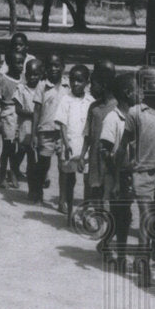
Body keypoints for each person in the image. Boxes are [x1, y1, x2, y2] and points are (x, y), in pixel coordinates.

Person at [117, 67, 155, 285]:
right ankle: (143, 266)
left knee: (154, 220)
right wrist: (120, 171)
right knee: (146, 218)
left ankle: (143, 256)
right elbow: (124, 144)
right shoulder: (135, 113)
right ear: (144, 87)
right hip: (143, 174)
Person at [99, 72, 138, 271]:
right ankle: (121, 256)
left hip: (130, 174)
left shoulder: (135, 117)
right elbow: (105, 150)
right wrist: (112, 180)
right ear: (128, 93)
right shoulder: (113, 118)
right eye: (138, 88)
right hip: (117, 175)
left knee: (123, 216)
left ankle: (105, 244)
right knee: (121, 216)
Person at [77, 59, 117, 232]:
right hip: (94, 158)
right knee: (95, 189)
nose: (90, 88)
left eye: (93, 84)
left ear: (104, 84)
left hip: (110, 159)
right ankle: (96, 220)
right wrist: (82, 155)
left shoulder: (117, 108)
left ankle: (109, 224)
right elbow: (87, 134)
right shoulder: (93, 108)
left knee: (109, 190)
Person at [54, 64, 94, 221]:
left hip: (85, 147)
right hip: (69, 145)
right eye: (73, 80)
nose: (75, 84)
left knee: (87, 180)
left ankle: (84, 211)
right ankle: (69, 209)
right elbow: (62, 125)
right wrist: (66, 144)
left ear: (87, 82)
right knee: (69, 178)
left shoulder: (91, 101)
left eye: (80, 80)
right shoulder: (66, 99)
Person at [29, 51, 67, 205]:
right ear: (45, 68)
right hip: (45, 131)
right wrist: (33, 134)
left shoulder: (67, 86)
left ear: (63, 67)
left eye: (57, 65)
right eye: (50, 66)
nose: (53, 69)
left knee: (63, 167)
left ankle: (63, 200)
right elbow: (36, 110)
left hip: (63, 133)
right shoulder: (42, 86)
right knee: (43, 164)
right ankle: (38, 193)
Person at [14, 58, 43, 199]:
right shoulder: (21, 88)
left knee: (40, 160)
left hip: (40, 129)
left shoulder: (43, 89)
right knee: (30, 158)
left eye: (36, 74)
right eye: (30, 74)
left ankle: (39, 187)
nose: (33, 77)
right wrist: (33, 114)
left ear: (41, 74)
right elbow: (18, 109)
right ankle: (32, 189)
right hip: (26, 128)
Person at [0, 50, 25, 188]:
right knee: (8, 148)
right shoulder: (3, 79)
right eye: (17, 62)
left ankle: (13, 172)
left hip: (21, 115)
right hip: (8, 115)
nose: (20, 65)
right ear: (9, 63)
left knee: (19, 146)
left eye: (22, 62)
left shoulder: (24, 79)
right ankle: (2, 176)